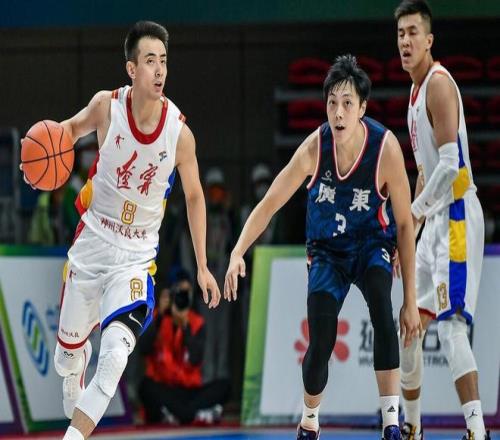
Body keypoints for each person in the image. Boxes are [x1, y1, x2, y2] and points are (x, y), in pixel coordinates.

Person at [21, 21, 220, 440]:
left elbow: (195, 197)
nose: (159, 70)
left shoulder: (179, 135)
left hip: (135, 258)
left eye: (163, 61)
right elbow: (66, 133)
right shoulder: (106, 108)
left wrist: (203, 266)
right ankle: (73, 363)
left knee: (114, 358)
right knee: (64, 360)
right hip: (93, 241)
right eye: (150, 61)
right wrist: (37, 165)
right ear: (131, 69)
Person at [225, 54, 421, 440]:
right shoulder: (314, 148)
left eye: (347, 103)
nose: (338, 112)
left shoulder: (385, 149)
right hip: (327, 251)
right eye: (332, 103)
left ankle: (391, 423)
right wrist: (237, 251)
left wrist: (410, 300)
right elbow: (270, 202)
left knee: (383, 310)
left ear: (362, 108)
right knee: (321, 340)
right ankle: (310, 421)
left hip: (371, 244)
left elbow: (403, 223)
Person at [394, 2, 490, 440]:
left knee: (451, 328)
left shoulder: (437, 85)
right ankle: (412, 427)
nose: (406, 41)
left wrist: (414, 213)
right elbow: (423, 172)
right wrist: (409, 234)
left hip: (456, 215)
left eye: (413, 32)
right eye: (401, 34)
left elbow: (450, 166)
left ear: (429, 40)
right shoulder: (413, 95)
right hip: (432, 220)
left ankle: (477, 431)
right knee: (409, 326)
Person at [138, 269, 230, 424]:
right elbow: (143, 349)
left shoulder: (196, 322)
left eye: (187, 293)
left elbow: (195, 360)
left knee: (224, 386)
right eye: (179, 293)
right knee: (145, 387)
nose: (183, 297)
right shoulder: (156, 317)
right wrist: (160, 316)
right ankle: (194, 414)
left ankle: (180, 414)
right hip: (164, 387)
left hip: (189, 390)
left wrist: (185, 326)